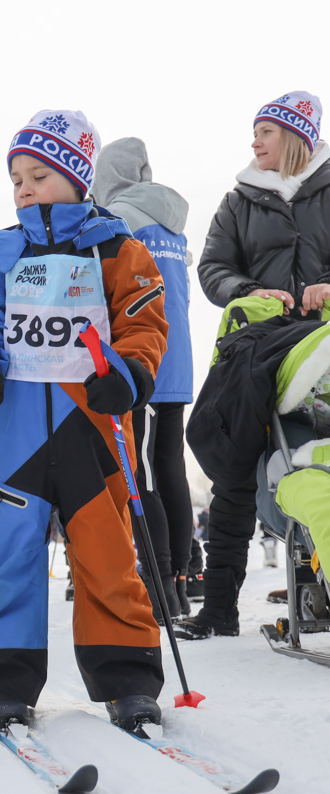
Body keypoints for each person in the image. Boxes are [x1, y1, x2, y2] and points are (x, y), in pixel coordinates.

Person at [0, 110, 168, 732]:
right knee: (9, 554)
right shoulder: (6, 250)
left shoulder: (115, 246)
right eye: (16, 177)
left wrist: (125, 375)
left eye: (38, 174)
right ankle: (4, 679)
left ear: (77, 176)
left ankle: (127, 676)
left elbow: (143, 321)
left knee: (106, 551)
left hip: (90, 423)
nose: (23, 187)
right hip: (17, 424)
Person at [179, 91, 330, 639]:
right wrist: (251, 291)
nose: (254, 142)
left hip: (322, 344)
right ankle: (219, 607)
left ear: (294, 137)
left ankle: (315, 580)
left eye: (265, 132)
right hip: (255, 342)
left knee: (312, 462)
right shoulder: (238, 201)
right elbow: (215, 266)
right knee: (238, 464)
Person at [92, 137, 195, 620]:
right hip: (177, 359)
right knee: (169, 466)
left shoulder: (119, 221)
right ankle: (185, 575)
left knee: (144, 474)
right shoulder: (172, 226)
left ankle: (161, 586)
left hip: (142, 361)